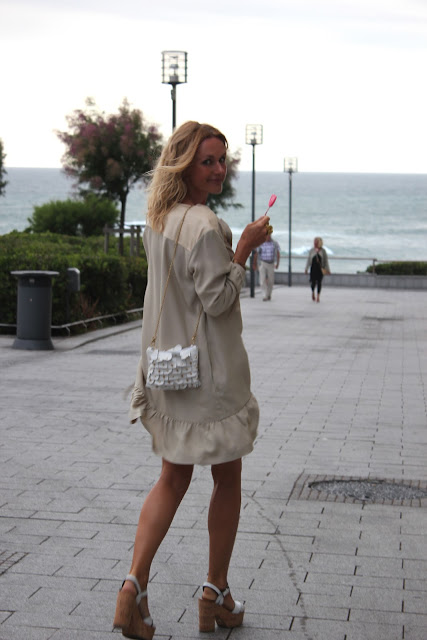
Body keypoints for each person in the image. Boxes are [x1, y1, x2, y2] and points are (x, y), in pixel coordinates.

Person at [113, 121, 272, 640]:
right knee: (227, 479)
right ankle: (215, 593)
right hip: (209, 378)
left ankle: (132, 587)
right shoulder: (204, 225)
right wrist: (244, 247)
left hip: (167, 368)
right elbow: (218, 300)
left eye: (222, 159)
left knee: (172, 479)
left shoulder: (160, 221)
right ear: (184, 165)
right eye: (208, 161)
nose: (219, 169)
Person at [252, 233, 280, 300]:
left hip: (271, 263)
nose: (268, 237)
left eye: (269, 235)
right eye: (267, 235)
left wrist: (277, 264)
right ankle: (264, 295)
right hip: (263, 263)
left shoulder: (274, 243)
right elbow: (256, 254)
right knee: (262, 280)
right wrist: (254, 264)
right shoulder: (261, 243)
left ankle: (269, 294)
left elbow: (278, 253)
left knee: (271, 280)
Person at [304, 236, 330, 302]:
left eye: (316, 242)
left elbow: (326, 261)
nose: (314, 243)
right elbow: (308, 260)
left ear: (319, 243)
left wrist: (328, 270)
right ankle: (313, 292)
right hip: (313, 269)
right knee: (313, 282)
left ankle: (318, 296)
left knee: (319, 282)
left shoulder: (323, 251)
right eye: (314, 242)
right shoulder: (311, 250)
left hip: (320, 269)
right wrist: (306, 269)